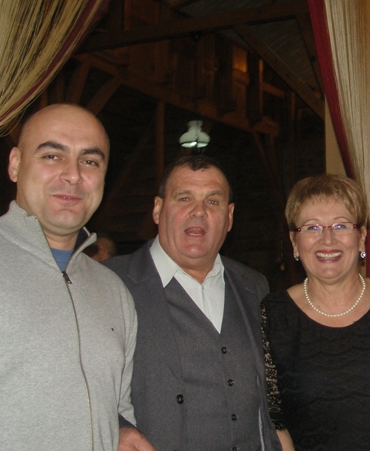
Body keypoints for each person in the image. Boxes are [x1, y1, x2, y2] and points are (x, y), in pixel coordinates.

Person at [0, 104, 137, 450]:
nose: (73, 175)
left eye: (90, 161)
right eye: (52, 156)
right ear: (15, 164)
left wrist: (120, 431)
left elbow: (116, 410)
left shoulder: (114, 290)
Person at [104, 155, 281, 451]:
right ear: (158, 209)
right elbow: (75, 382)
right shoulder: (110, 282)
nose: (199, 211)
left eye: (213, 201)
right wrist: (117, 427)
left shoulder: (254, 286)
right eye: (184, 198)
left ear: (229, 216)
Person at [262, 174, 370, 450]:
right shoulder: (273, 315)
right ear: (294, 242)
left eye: (340, 225)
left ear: (361, 238)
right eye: (312, 227)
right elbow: (272, 417)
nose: (327, 239)